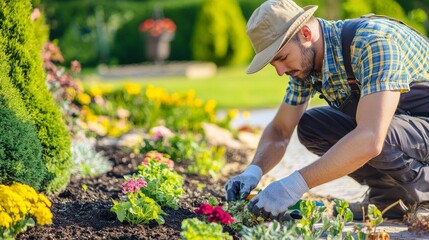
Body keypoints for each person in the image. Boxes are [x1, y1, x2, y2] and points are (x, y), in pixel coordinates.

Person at [224, 0, 429, 221]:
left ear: (305, 33)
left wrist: (292, 186)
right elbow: (280, 130)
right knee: (313, 126)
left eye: (282, 58)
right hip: (409, 129)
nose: (280, 71)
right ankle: (390, 197)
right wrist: (253, 170)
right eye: (274, 64)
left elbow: (371, 139)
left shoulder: (372, 43)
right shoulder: (306, 66)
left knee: (377, 133)